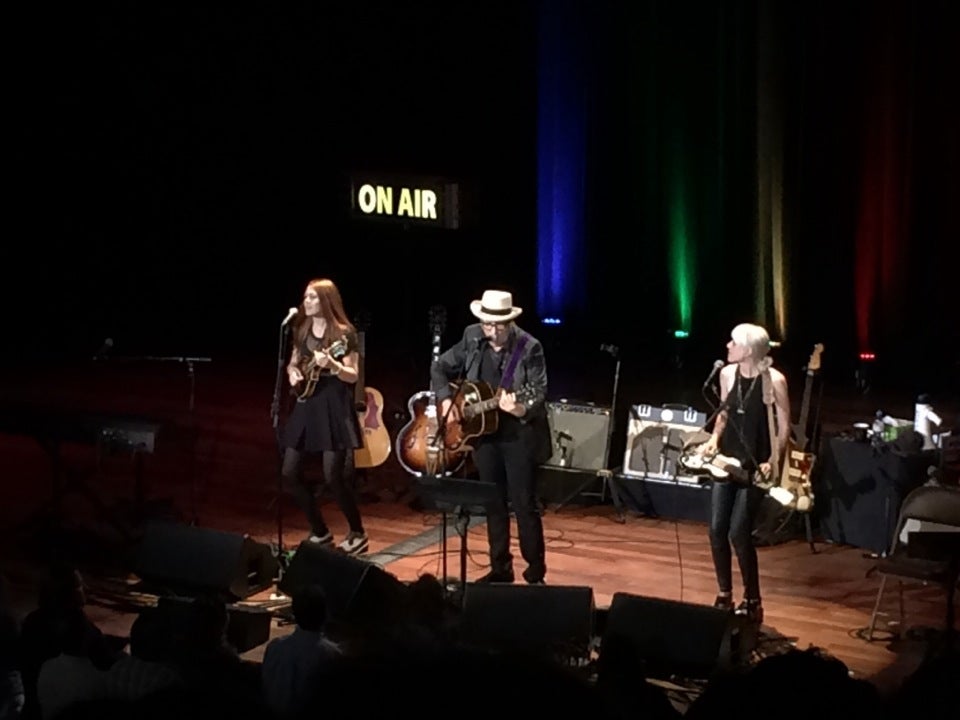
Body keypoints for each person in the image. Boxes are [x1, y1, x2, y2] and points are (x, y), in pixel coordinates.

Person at [430, 289, 551, 584]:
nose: (491, 331)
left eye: (497, 325)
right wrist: (446, 399)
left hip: (519, 434)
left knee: (523, 504)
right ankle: (500, 568)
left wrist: (520, 407)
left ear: (509, 322)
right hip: (485, 434)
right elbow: (439, 367)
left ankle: (535, 571)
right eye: (487, 324)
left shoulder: (529, 347)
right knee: (492, 502)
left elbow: (538, 391)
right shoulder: (472, 337)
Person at [698, 323, 790, 624]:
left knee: (739, 532)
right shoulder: (727, 375)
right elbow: (724, 412)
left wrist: (773, 460)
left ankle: (753, 599)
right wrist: (713, 440)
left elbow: (783, 425)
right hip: (726, 461)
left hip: (755, 467)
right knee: (716, 529)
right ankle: (724, 593)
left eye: (733, 343)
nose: (727, 346)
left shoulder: (773, 380)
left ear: (748, 350)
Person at [283, 278, 368, 555]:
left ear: (326, 301)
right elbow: (294, 362)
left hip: (333, 404)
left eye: (313, 298)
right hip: (306, 403)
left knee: (333, 477)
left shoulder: (344, 333)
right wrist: (292, 372)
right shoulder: (301, 328)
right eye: (306, 297)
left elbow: (352, 374)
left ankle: (357, 532)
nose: (306, 302)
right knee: (290, 472)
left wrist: (331, 364)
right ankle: (320, 530)